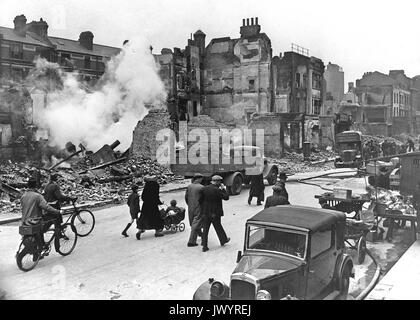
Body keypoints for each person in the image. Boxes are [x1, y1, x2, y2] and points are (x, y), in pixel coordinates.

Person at [21, 178, 64, 255]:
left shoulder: (23, 196)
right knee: (45, 224)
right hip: (35, 220)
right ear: (36, 186)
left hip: (25, 221)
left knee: (36, 233)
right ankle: (43, 246)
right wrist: (57, 211)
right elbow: (46, 207)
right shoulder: (38, 196)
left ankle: (36, 254)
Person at [199, 175, 230, 252]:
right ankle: (223, 240)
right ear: (218, 182)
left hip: (205, 212)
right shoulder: (217, 190)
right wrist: (223, 189)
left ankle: (204, 246)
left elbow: (200, 200)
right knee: (218, 226)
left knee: (205, 229)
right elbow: (226, 197)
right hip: (215, 213)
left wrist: (204, 209)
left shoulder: (204, 189)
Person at [185, 173, 204, 247]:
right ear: (199, 179)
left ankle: (201, 235)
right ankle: (191, 241)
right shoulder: (201, 187)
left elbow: (186, 197)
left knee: (193, 221)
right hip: (198, 207)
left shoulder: (189, 186)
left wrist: (189, 204)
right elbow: (203, 199)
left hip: (190, 207)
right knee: (196, 223)